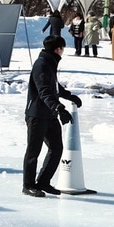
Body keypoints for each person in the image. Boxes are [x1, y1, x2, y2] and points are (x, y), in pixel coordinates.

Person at [22, 35, 82, 197]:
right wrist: (59, 108)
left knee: (56, 148)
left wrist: (69, 96)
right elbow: (44, 91)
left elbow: (54, 86)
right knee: (33, 151)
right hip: (36, 115)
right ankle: (28, 185)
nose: (63, 51)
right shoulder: (41, 64)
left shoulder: (49, 63)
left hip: (49, 113)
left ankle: (43, 182)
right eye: (62, 48)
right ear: (57, 49)